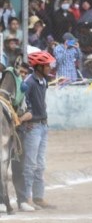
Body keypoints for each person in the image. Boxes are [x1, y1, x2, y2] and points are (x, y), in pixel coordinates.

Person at [18, 50, 56, 211]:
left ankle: (38, 197)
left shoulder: (43, 81)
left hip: (42, 125)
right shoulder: (29, 82)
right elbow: (23, 104)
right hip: (33, 126)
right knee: (31, 164)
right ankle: (26, 198)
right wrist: (26, 120)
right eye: (46, 65)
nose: (49, 67)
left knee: (40, 164)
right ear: (39, 67)